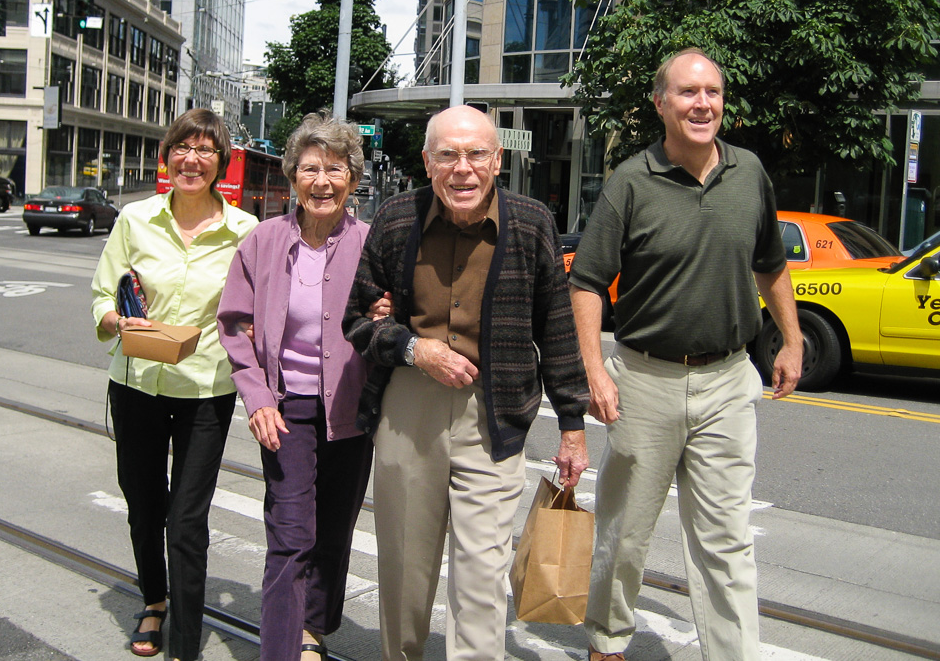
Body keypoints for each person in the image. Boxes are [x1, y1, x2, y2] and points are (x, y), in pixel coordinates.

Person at [568, 49, 803, 660]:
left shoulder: (749, 172)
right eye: (687, 93)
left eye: (713, 93)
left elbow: (770, 264)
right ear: (660, 103)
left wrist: (792, 340)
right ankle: (607, 641)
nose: (703, 104)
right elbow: (588, 280)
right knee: (625, 534)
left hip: (728, 380)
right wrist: (596, 369)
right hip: (646, 378)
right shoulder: (630, 180)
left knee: (727, 541)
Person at [343, 104, 590, 660]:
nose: (463, 169)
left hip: (494, 414)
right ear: (427, 162)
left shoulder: (531, 223)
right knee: (406, 568)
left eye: (476, 153)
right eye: (448, 155)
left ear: (497, 159)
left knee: (482, 575)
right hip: (409, 408)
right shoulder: (396, 219)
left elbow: (557, 329)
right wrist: (413, 347)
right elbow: (357, 322)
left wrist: (572, 426)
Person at [90, 108, 257, 660]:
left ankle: (184, 640)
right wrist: (117, 320)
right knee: (143, 503)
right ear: (168, 156)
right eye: (183, 147)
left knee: (187, 516)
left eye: (206, 150)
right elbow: (102, 295)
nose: (192, 159)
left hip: (205, 389)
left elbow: (258, 306)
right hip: (136, 381)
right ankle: (154, 600)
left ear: (220, 163)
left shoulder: (244, 232)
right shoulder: (134, 221)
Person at [217, 111, 383, 661]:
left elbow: (397, 312)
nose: (322, 181)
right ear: (293, 178)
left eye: (335, 169)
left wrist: (386, 311)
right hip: (286, 409)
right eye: (309, 169)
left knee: (334, 530)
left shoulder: (371, 243)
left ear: (353, 180)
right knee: (290, 532)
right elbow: (233, 325)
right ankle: (282, 650)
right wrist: (258, 398)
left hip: (351, 409)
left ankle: (312, 629)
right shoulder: (263, 241)